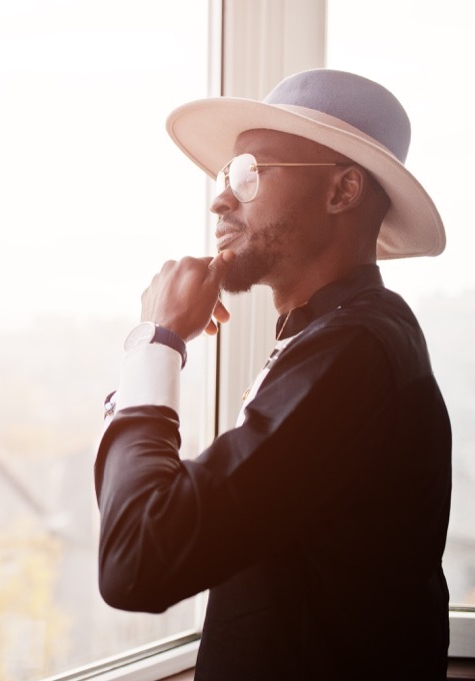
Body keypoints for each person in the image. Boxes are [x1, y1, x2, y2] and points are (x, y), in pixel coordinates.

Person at [94, 69, 452, 680]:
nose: (221, 198)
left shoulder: (354, 352)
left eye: (250, 172)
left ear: (342, 191)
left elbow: (137, 561)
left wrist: (158, 344)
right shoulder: (336, 337)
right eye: (226, 174)